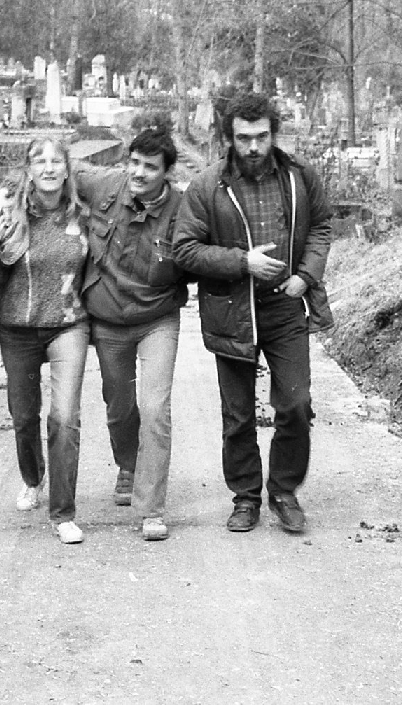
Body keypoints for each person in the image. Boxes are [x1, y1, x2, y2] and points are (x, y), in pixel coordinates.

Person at [172, 92, 333, 534]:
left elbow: (321, 225)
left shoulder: (300, 178)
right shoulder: (209, 186)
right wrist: (241, 261)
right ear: (230, 138)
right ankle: (245, 497)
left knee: (296, 403)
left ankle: (283, 490)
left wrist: (306, 274)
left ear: (273, 134)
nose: (254, 148)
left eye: (261, 137)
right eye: (244, 138)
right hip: (232, 309)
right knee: (238, 412)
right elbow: (185, 248)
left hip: (284, 305)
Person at [77, 128, 189, 541]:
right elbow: (53, 168)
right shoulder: (106, 185)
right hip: (108, 319)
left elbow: (204, 251)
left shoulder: (184, 208)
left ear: (167, 172)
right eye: (135, 162)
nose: (139, 173)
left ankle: (151, 508)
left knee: (155, 407)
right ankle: (128, 464)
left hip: (157, 317)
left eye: (150, 167)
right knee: (119, 407)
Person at [0, 137, 90, 545]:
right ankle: (33, 477)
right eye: (39, 161)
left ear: (67, 169)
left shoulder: (83, 216)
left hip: (68, 325)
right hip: (18, 329)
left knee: (64, 417)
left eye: (55, 161)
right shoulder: (10, 214)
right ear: (28, 169)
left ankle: (63, 512)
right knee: (24, 416)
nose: (48, 168)